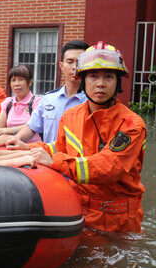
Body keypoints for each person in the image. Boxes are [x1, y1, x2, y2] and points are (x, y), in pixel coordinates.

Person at [17, 42, 146, 233]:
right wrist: (21, 148)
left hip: (117, 219)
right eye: (93, 76)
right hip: (77, 208)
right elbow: (58, 147)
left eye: (109, 77)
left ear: (118, 82)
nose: (100, 84)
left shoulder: (131, 124)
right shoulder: (71, 116)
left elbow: (107, 168)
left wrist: (54, 161)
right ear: (83, 80)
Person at [3, 40, 89, 148]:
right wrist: (16, 139)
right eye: (70, 61)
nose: (74, 67)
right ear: (61, 66)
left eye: (79, 62)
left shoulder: (93, 102)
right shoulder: (49, 98)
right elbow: (32, 127)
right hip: (47, 161)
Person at [0, 65, 42, 141]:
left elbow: (32, 126)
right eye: (13, 80)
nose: (16, 84)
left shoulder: (38, 102)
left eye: (21, 80)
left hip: (32, 147)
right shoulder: (8, 103)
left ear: (30, 82)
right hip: (10, 146)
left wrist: (5, 131)